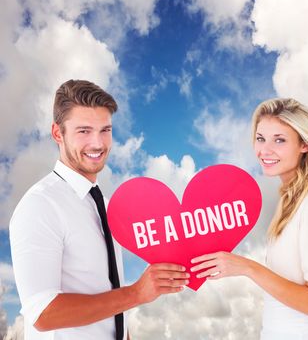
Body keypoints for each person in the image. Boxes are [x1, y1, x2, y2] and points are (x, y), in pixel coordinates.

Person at [10, 79, 189, 340]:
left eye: (105, 130)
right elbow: (42, 313)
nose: (98, 143)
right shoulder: (40, 204)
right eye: (84, 131)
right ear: (58, 133)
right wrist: (137, 293)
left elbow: (108, 290)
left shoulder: (104, 205)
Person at [191, 98, 308, 340]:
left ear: (304, 145)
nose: (265, 150)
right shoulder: (289, 201)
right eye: (261, 138)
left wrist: (247, 267)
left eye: (280, 140)